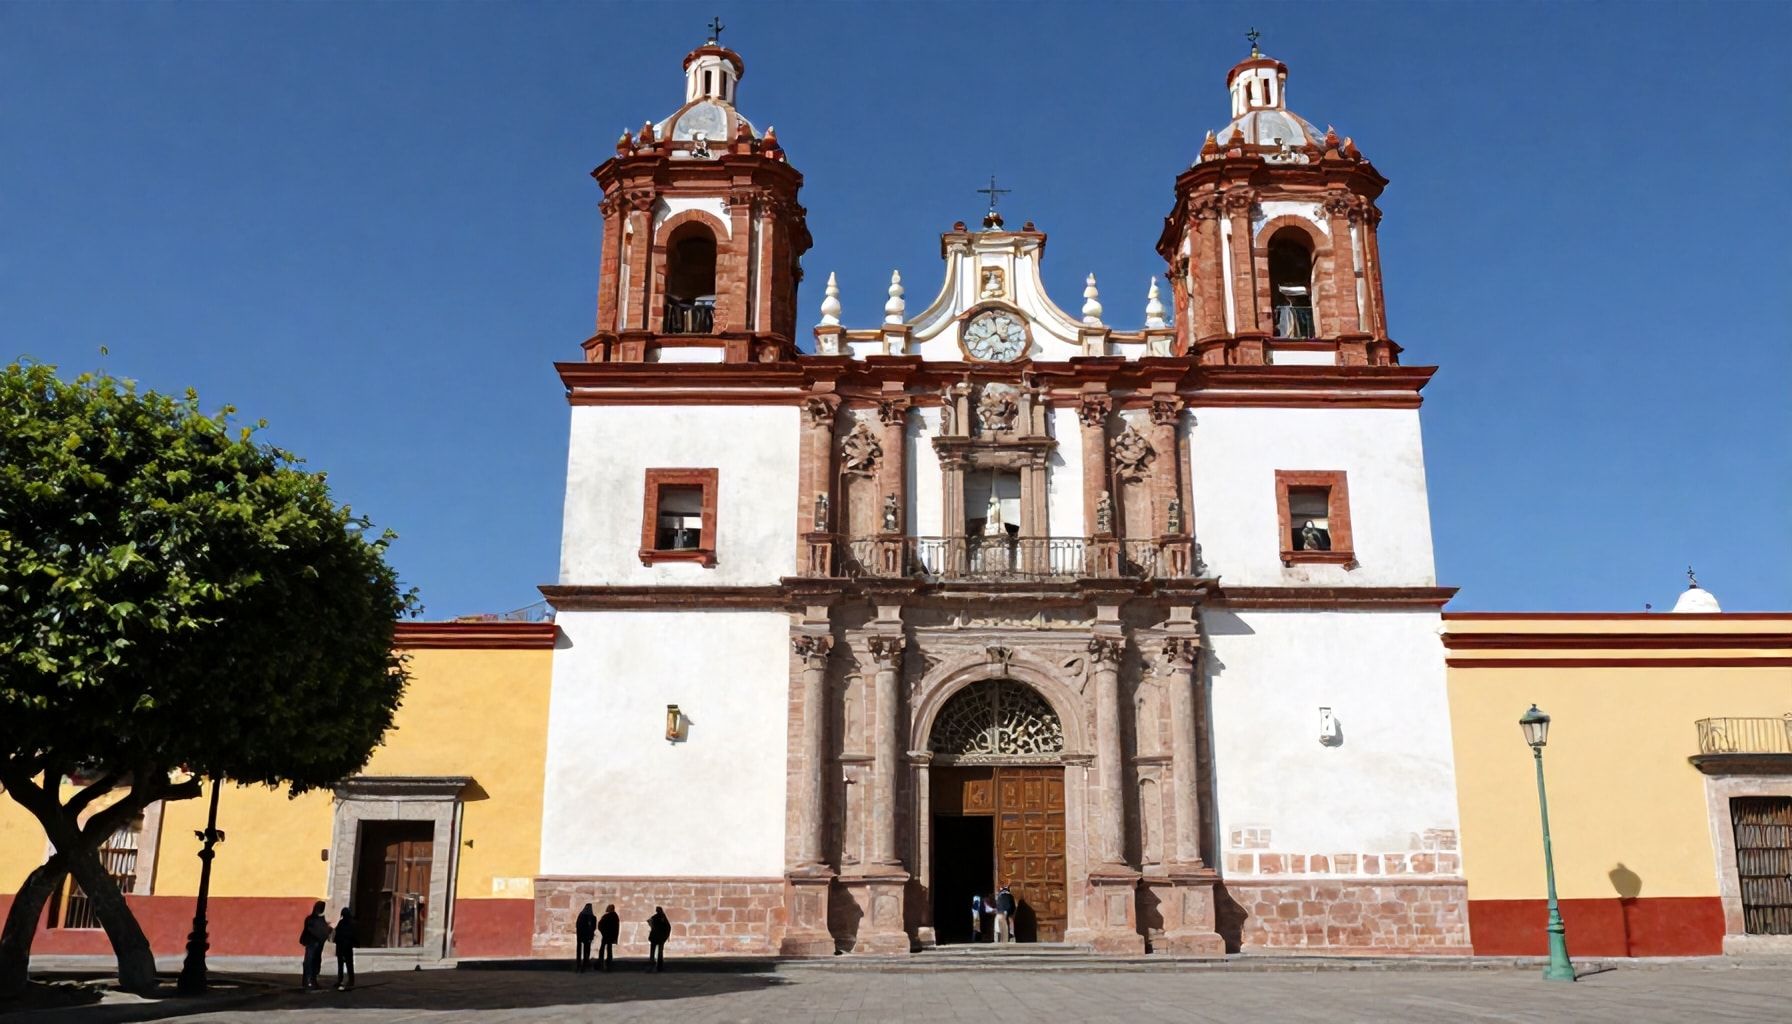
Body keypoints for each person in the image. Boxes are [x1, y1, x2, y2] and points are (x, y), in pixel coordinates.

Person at [298, 900, 330, 990]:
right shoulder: (313, 920)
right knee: (310, 962)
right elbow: (314, 931)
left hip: (317, 944)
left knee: (314, 962)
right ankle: (308, 982)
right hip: (313, 944)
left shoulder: (317, 919)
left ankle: (312, 981)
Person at [333, 908, 356, 991]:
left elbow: (337, 934)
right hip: (347, 946)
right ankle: (350, 980)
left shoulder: (342, 923)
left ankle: (341, 980)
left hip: (342, 946)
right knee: (349, 964)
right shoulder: (351, 923)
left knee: (342, 964)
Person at [646, 906, 671, 972]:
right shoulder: (658, 917)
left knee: (658, 952)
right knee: (656, 952)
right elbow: (650, 921)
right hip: (656, 937)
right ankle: (655, 966)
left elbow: (667, 927)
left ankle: (657, 966)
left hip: (658, 937)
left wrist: (665, 935)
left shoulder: (661, 917)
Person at [574, 902, 597, 973]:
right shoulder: (592, 917)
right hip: (587, 937)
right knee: (586, 951)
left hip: (581, 936)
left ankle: (579, 966)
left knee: (580, 951)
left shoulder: (581, 916)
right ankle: (584, 966)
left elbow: (577, 925)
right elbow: (593, 928)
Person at [597, 903, 620, 972]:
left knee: (604, 948)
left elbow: (600, 925)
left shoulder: (608, 916)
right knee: (608, 948)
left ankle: (602, 961)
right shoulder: (615, 916)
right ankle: (607, 962)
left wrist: (603, 932)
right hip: (609, 935)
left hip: (607, 935)